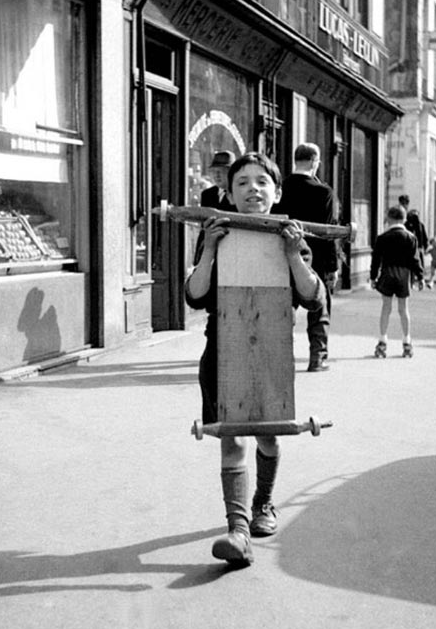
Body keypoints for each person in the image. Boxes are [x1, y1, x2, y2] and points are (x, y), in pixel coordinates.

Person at [185, 152, 326, 566]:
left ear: (278, 192)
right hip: (223, 351)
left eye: (262, 181)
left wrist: (293, 254)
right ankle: (238, 530)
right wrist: (209, 248)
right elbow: (194, 295)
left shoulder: (290, 235)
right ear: (228, 193)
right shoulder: (217, 232)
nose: (253, 189)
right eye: (242, 182)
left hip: (271, 351)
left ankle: (263, 503)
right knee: (232, 438)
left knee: (268, 433)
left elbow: (312, 295)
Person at [275, 142, 338, 372]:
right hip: (317, 261)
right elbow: (328, 231)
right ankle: (317, 358)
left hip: (283, 258)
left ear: (295, 160)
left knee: (285, 309)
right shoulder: (324, 192)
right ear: (315, 161)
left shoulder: (279, 187)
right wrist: (333, 266)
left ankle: (281, 357)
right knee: (319, 308)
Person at [370, 205, 424, 358]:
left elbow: (376, 260)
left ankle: (382, 341)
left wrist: (373, 277)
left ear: (389, 218)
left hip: (387, 273)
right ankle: (407, 342)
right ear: (404, 219)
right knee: (403, 309)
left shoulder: (382, 238)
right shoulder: (411, 237)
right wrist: (420, 277)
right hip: (404, 275)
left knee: (386, 308)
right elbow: (415, 260)